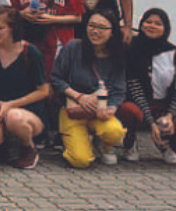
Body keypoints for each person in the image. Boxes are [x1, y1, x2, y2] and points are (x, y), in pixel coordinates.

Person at [117, 8, 176, 164]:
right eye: (148, 22)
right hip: (140, 104)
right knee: (127, 111)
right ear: (141, 24)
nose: (152, 26)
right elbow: (135, 90)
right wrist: (152, 124)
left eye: (158, 24)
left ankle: (170, 147)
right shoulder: (131, 50)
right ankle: (130, 143)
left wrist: (169, 116)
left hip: (167, 106)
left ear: (166, 28)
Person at [50, 10, 127, 168]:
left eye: (102, 28)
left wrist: (110, 109)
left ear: (112, 32)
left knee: (115, 132)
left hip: (100, 112)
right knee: (80, 160)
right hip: (73, 111)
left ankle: (104, 146)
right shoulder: (73, 48)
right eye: (91, 26)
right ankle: (74, 142)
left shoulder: (117, 55)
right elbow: (55, 79)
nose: (95, 31)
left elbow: (119, 89)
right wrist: (78, 96)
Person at [0, 7, 50, 169]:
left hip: (27, 111)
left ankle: (28, 148)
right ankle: (3, 144)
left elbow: (44, 90)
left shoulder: (30, 53)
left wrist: (11, 104)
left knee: (14, 117)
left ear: (13, 28)